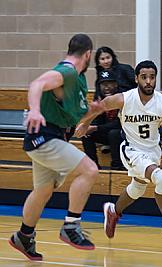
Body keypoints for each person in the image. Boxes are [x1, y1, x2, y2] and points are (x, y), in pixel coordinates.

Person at [75, 60, 162, 241]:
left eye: (152, 77)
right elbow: (100, 106)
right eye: (144, 77)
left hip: (152, 152)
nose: (148, 81)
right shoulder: (125, 98)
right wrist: (85, 124)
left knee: (138, 188)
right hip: (131, 150)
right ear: (136, 79)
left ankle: (113, 211)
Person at [9, 34, 98, 261]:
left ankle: (24, 236)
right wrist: (35, 110)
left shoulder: (77, 79)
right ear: (88, 54)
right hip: (44, 137)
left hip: (52, 137)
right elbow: (37, 84)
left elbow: (76, 112)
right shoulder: (67, 71)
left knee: (44, 189)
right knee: (89, 170)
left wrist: (95, 111)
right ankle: (71, 226)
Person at [81, 69, 124, 170]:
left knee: (114, 133)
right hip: (106, 133)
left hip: (124, 135)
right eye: (103, 84)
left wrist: (96, 128)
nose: (107, 87)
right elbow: (96, 121)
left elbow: (119, 124)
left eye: (110, 83)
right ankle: (93, 166)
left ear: (116, 85)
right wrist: (89, 127)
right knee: (86, 134)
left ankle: (117, 166)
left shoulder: (122, 99)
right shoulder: (99, 101)